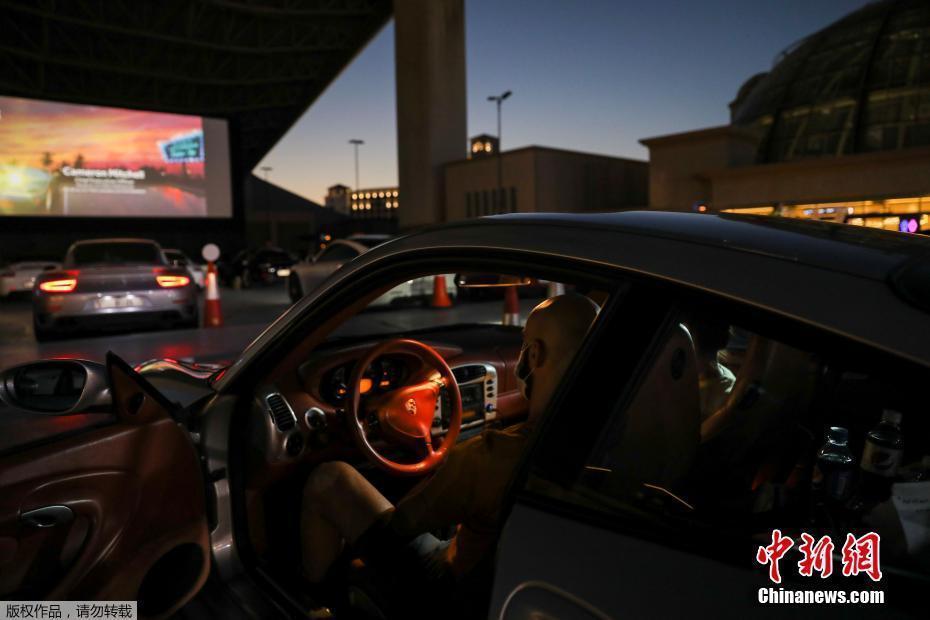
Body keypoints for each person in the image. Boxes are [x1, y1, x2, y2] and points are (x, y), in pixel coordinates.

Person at [299, 293, 599, 606]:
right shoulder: (610, 443)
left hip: (454, 590)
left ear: (534, 355)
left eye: (525, 342)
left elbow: (403, 524)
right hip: (515, 585)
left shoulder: (489, 456)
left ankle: (318, 603)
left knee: (330, 479)